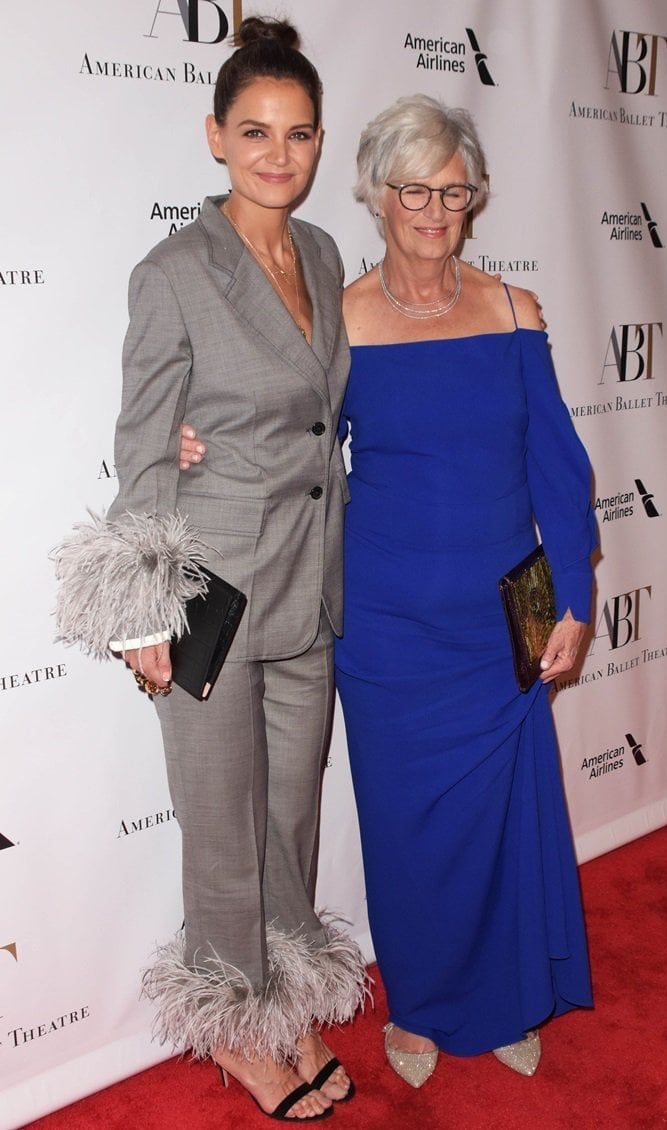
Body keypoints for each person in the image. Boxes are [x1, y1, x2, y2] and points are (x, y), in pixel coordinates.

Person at [179, 93, 597, 1087]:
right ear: (376, 194)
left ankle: (501, 1000)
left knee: (503, 814)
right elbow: (281, 437)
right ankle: (419, 1003)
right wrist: (185, 443)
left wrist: (571, 599)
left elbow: (558, 469)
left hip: (507, 608)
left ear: (473, 197)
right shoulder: (343, 323)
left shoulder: (510, 311)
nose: (431, 208)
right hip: (382, 622)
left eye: (452, 190)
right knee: (407, 828)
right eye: (412, 187)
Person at [54, 18, 365, 1123]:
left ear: (318, 141)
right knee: (222, 823)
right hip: (211, 596)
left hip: (309, 588)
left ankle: (284, 985)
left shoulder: (326, 255)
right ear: (215, 137)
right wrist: (141, 604)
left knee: (289, 819)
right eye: (255, 132)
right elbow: (144, 442)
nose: (279, 154)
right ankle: (237, 1023)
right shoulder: (174, 271)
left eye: (299, 133)